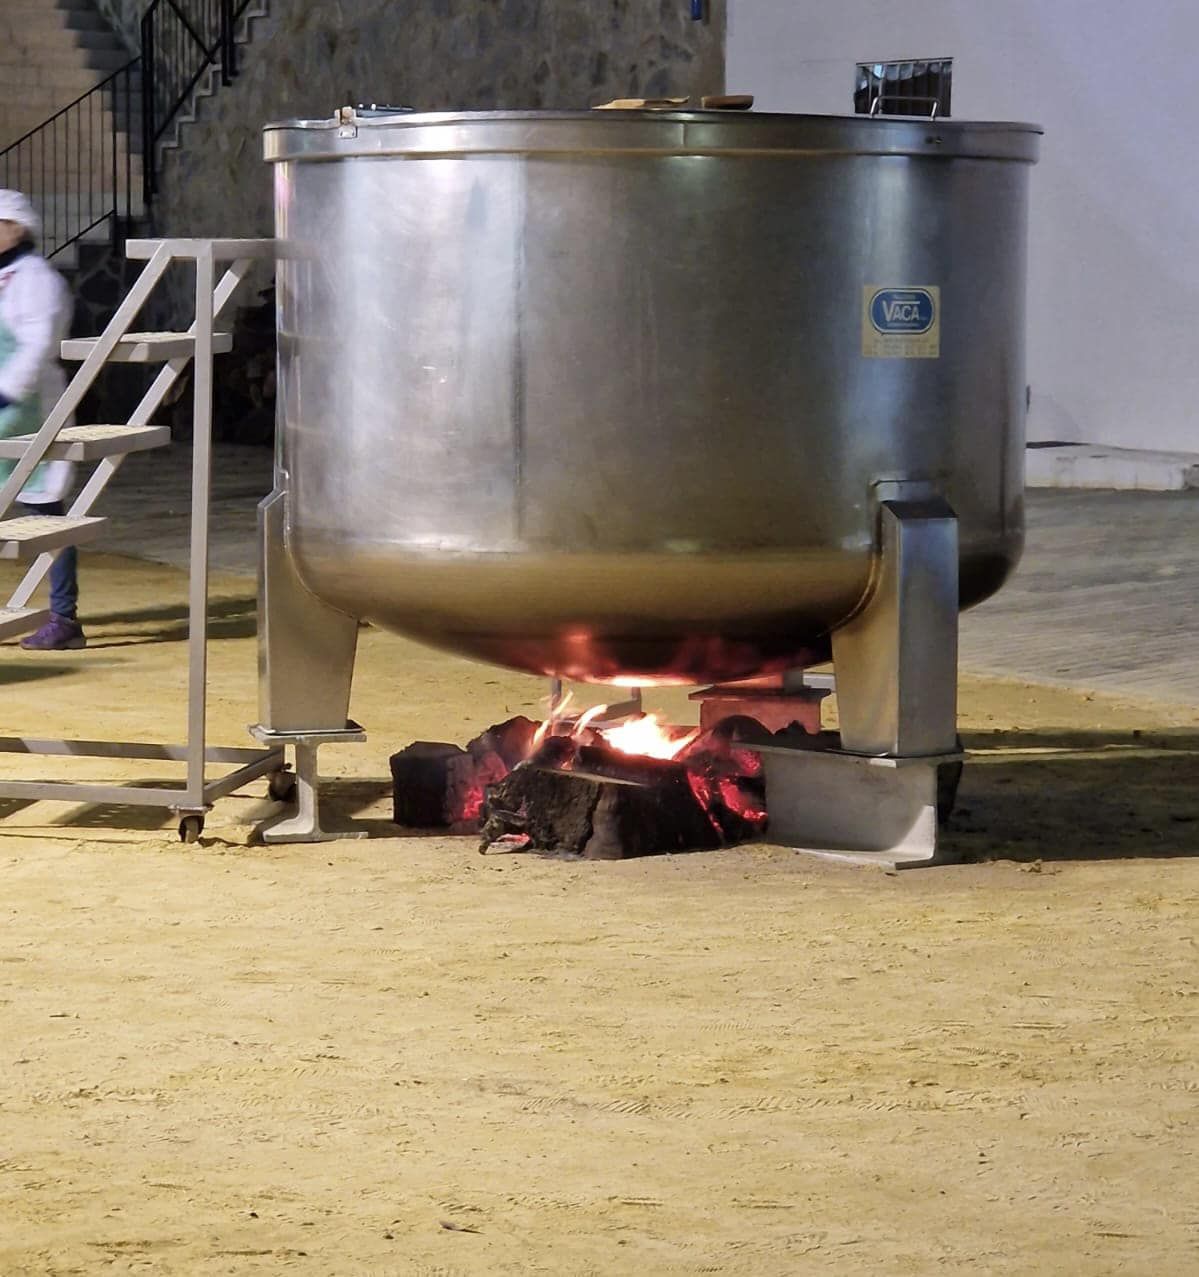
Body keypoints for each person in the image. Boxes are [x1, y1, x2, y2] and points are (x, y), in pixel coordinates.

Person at [0, 189, 83, 650]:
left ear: (14, 228)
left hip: (28, 409)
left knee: (46, 511)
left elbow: (37, 343)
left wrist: (6, 394)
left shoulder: (35, 277)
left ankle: (63, 616)